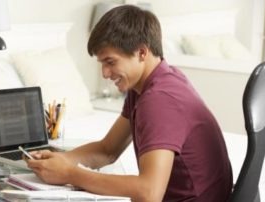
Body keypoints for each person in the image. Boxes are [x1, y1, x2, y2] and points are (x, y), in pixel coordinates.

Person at [25, 5, 233, 202]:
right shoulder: (151, 84)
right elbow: (108, 150)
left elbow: (149, 192)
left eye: (111, 62)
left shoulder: (159, 100)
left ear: (142, 52)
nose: (105, 73)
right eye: (102, 64)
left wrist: (71, 174)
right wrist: (62, 161)